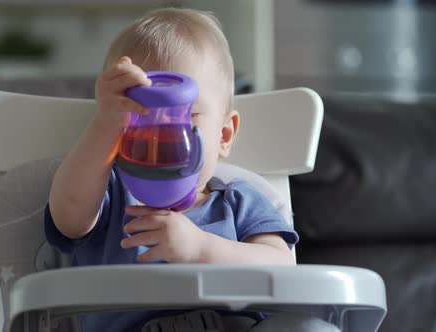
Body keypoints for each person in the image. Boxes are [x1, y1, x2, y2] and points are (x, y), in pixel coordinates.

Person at [44, 7, 339, 332]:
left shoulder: (237, 201)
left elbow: (283, 270)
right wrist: (105, 124)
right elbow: (68, 214)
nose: (161, 134)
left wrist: (201, 249)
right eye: (139, 116)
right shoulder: (107, 193)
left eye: (187, 116)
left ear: (224, 135)